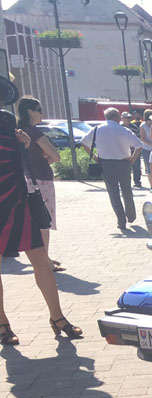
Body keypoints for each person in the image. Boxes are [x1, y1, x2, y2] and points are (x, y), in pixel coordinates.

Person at [0, 110, 82, 345]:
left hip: (18, 201)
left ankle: (57, 317)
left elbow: (18, 162)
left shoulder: (5, 119)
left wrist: (25, 145)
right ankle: (2, 324)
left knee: (41, 261)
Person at [15, 96, 64, 271]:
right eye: (39, 110)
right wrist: (45, 160)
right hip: (40, 180)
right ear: (30, 112)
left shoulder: (16, 131)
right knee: (43, 222)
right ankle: (44, 261)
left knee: (32, 221)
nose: (42, 114)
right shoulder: (34, 132)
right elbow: (56, 156)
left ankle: (42, 259)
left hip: (22, 179)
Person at [81, 107, 142, 230]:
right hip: (123, 163)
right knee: (126, 191)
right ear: (117, 117)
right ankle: (131, 215)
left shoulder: (97, 129)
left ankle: (121, 221)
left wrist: (94, 157)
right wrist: (132, 159)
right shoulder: (124, 130)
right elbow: (139, 145)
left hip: (106, 164)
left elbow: (84, 142)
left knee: (113, 193)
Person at [120, 112, 143, 188]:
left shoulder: (135, 127)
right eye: (127, 118)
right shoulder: (119, 128)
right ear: (122, 119)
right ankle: (125, 182)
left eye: (129, 117)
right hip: (123, 151)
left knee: (136, 167)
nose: (129, 119)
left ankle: (137, 182)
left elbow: (139, 138)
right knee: (124, 167)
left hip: (134, 150)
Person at [139, 108, 152, 182]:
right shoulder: (143, 126)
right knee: (150, 168)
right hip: (147, 149)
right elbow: (143, 139)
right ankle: (151, 185)